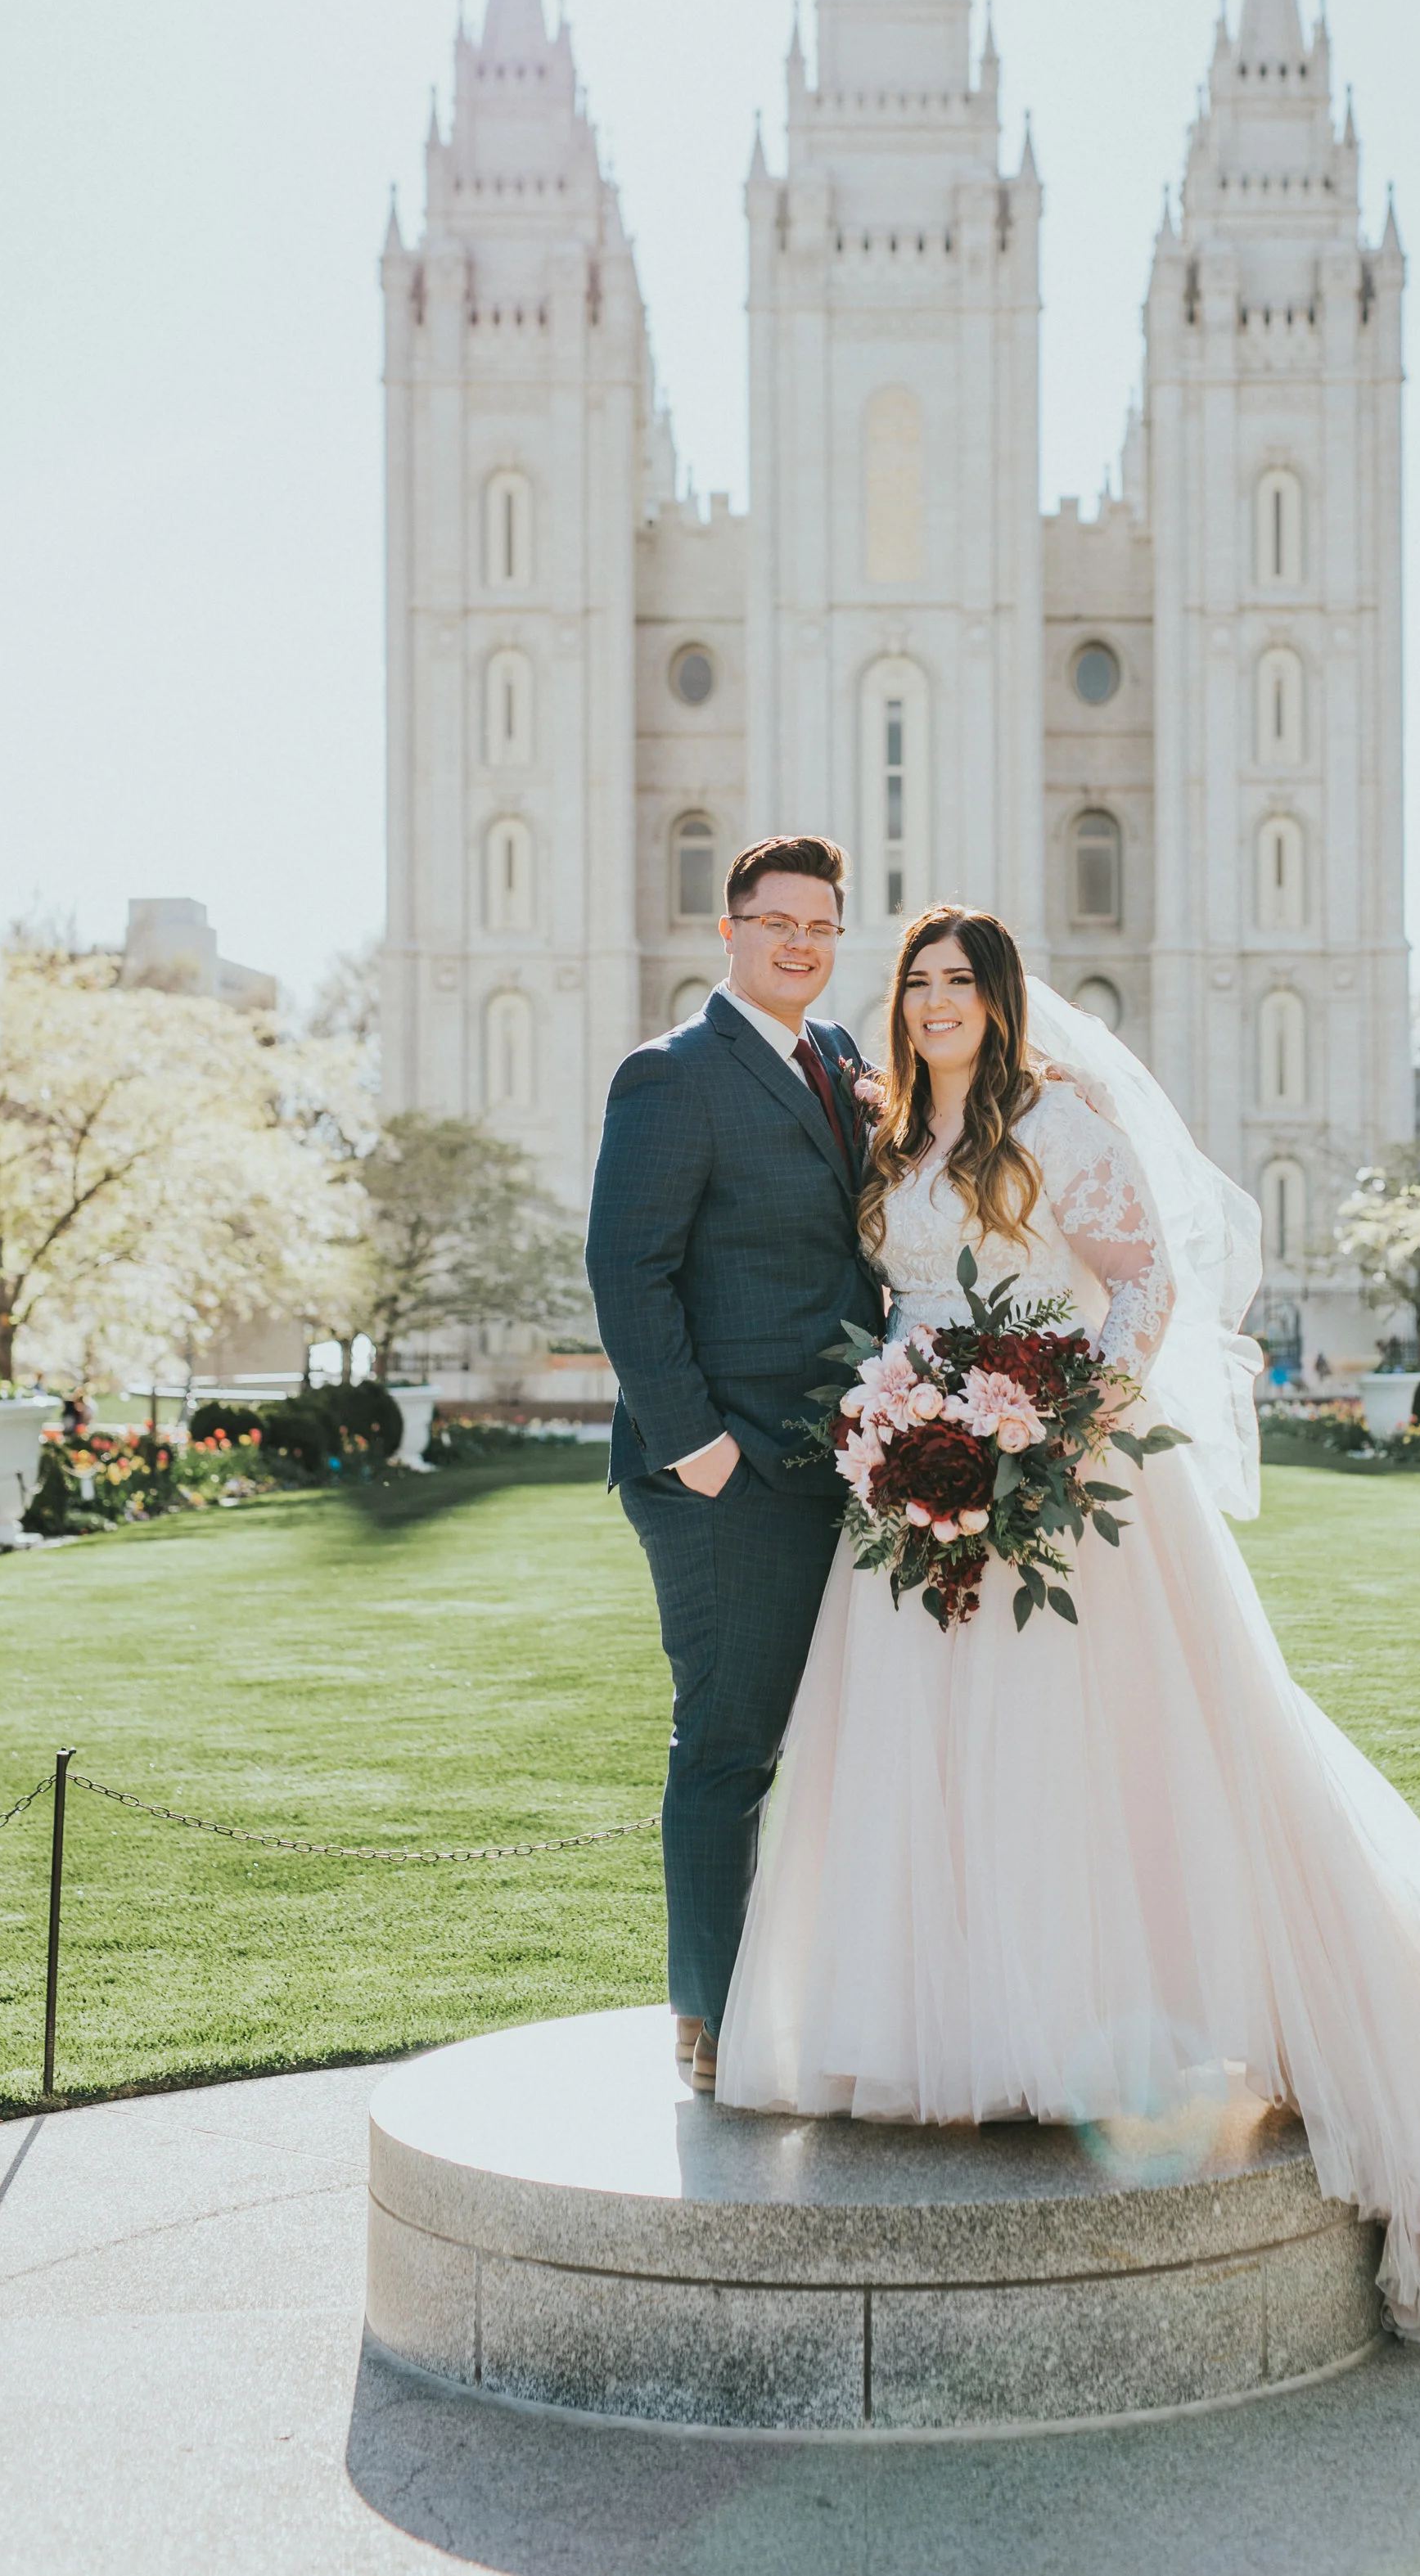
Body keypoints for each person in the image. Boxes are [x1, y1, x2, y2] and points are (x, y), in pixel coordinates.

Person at [717, 906, 1420, 2357]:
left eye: (961, 983)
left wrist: (1057, 1427)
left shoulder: (1060, 1124)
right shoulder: (892, 1144)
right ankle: (957, 2029)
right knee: (924, 1758)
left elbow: (1144, 1288)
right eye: (919, 983)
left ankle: (1109, 2023)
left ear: (1001, 1004)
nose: (937, 1004)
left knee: (1093, 1751)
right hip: (915, 1490)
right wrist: (902, 1420)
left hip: (1063, 1485)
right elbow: (903, 1303)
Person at [585, 834, 881, 2099]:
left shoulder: (840, 1065)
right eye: (777, 922)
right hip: (725, 1477)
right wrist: (697, 1447)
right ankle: (706, 2024)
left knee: (829, 1746)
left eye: (821, 925)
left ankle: (797, 1996)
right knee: (727, 1746)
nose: (800, 943)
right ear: (729, 930)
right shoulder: (674, 1076)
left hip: (838, 1469)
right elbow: (625, 1270)